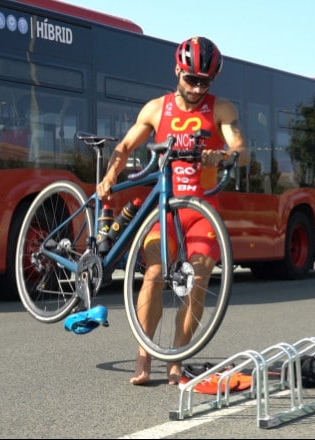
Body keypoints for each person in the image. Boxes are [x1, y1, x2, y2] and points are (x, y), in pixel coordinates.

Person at [96, 36, 249, 386]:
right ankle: (144, 356)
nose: (196, 88)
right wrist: (109, 175)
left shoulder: (220, 108)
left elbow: (240, 146)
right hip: (166, 210)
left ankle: (177, 359)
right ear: (177, 71)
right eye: (190, 79)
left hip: (202, 208)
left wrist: (222, 155)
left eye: (204, 81)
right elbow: (124, 146)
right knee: (153, 274)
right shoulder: (156, 109)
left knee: (198, 280)